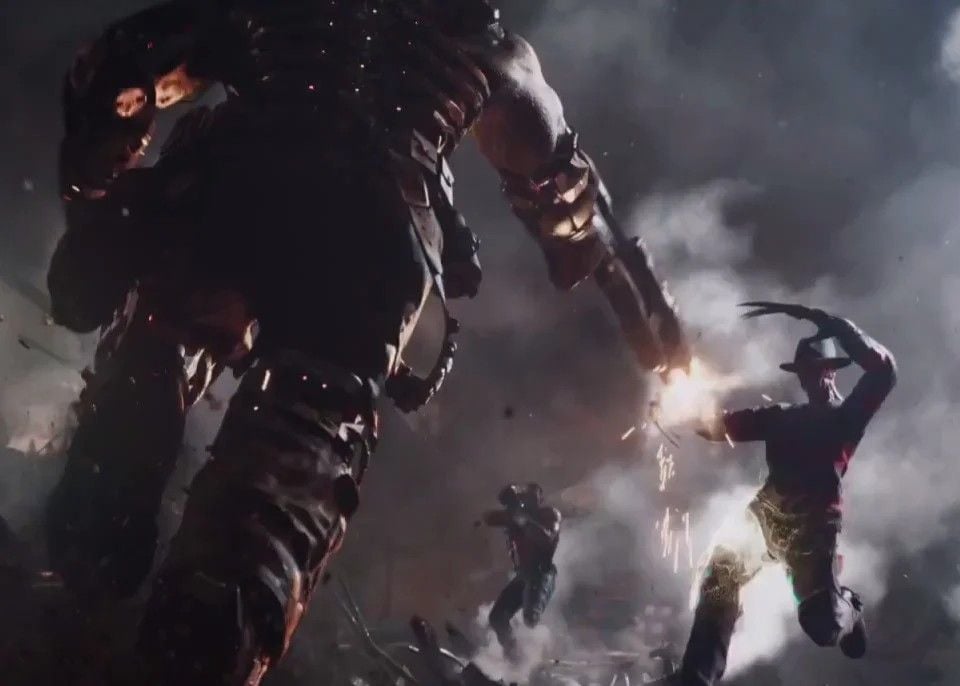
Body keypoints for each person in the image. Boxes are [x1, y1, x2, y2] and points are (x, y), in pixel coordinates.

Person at [45, 2, 687, 683]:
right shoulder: (491, 51)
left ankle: (117, 475)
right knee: (275, 496)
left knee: (159, 352)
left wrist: (95, 206)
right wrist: (656, 332)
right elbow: (573, 207)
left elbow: (118, 71)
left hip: (231, 188)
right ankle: (196, 605)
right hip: (369, 242)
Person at [681, 302, 897, 686]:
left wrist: (836, 325)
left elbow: (884, 371)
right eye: (804, 373)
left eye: (817, 371)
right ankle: (697, 677)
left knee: (822, 626)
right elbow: (718, 427)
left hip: (811, 531)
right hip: (765, 519)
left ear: (831, 371)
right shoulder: (781, 417)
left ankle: (849, 609)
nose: (811, 379)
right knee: (720, 576)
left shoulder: (846, 418)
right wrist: (684, 408)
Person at [483, 483, 561, 659]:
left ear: (541, 499)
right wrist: (511, 505)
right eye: (526, 495)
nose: (529, 499)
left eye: (533, 495)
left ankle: (541, 655)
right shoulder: (515, 515)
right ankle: (515, 655)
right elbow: (489, 518)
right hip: (523, 575)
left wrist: (523, 520)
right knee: (497, 617)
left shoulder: (548, 515)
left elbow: (547, 538)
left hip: (542, 573)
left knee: (530, 618)